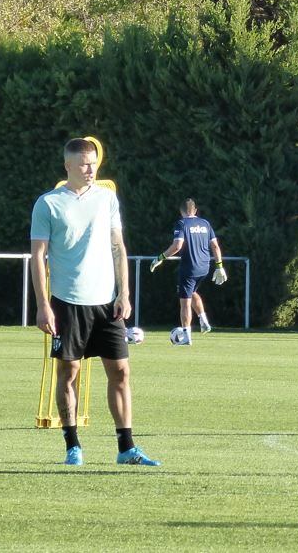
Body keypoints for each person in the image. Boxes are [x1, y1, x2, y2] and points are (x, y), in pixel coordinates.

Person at [30, 137, 159, 467]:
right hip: (67, 301)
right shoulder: (48, 204)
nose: (90, 169)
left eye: (94, 163)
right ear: (68, 166)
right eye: (84, 164)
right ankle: (73, 444)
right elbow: (38, 256)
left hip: (107, 302)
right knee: (69, 372)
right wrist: (43, 304)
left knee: (121, 372)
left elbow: (118, 247)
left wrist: (125, 293)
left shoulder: (107, 199)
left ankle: (126, 447)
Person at [149, 198, 227, 345]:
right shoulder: (205, 223)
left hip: (189, 267)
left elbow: (177, 246)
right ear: (195, 210)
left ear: (181, 212)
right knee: (192, 292)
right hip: (204, 267)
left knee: (185, 302)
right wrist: (219, 266)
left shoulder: (181, 223)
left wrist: (160, 257)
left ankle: (186, 336)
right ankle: (203, 321)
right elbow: (215, 247)